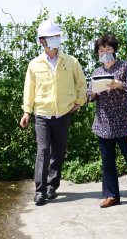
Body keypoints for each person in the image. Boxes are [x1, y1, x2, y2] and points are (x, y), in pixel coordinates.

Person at [19, 19, 87, 206]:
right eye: (51, 37)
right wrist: (27, 111)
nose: (55, 39)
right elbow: (29, 89)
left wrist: (79, 102)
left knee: (59, 151)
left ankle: (52, 186)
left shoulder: (71, 61)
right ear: (42, 41)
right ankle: (39, 190)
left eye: (57, 36)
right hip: (41, 113)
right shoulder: (34, 64)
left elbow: (81, 83)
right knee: (43, 150)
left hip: (63, 113)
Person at [87, 35, 127, 208]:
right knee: (107, 161)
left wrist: (119, 84)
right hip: (104, 123)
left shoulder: (124, 66)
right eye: (101, 51)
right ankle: (111, 195)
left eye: (108, 49)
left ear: (114, 50)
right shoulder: (96, 73)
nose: (105, 53)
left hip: (124, 121)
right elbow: (89, 96)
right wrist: (93, 92)